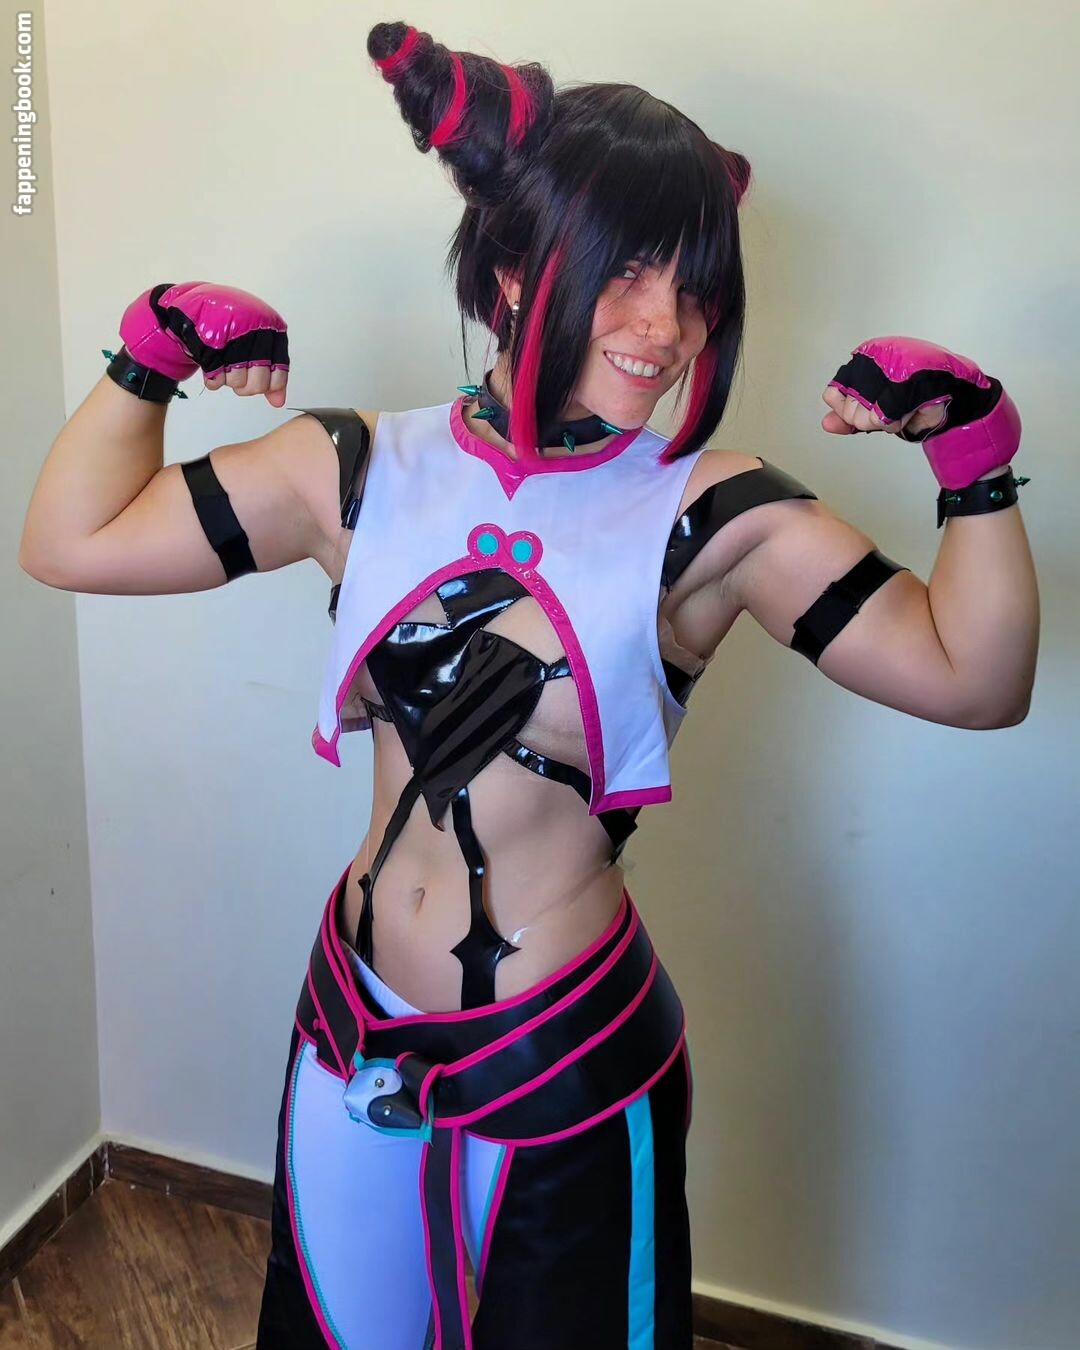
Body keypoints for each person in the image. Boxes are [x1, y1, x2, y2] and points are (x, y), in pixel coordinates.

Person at [17, 19, 1033, 1350]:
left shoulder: (713, 516)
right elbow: (72, 541)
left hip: (567, 1067)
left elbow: (975, 677)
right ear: (511, 271)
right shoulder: (358, 468)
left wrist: (977, 462)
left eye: (695, 285)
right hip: (351, 1030)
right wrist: (146, 357)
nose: (666, 325)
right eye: (629, 270)